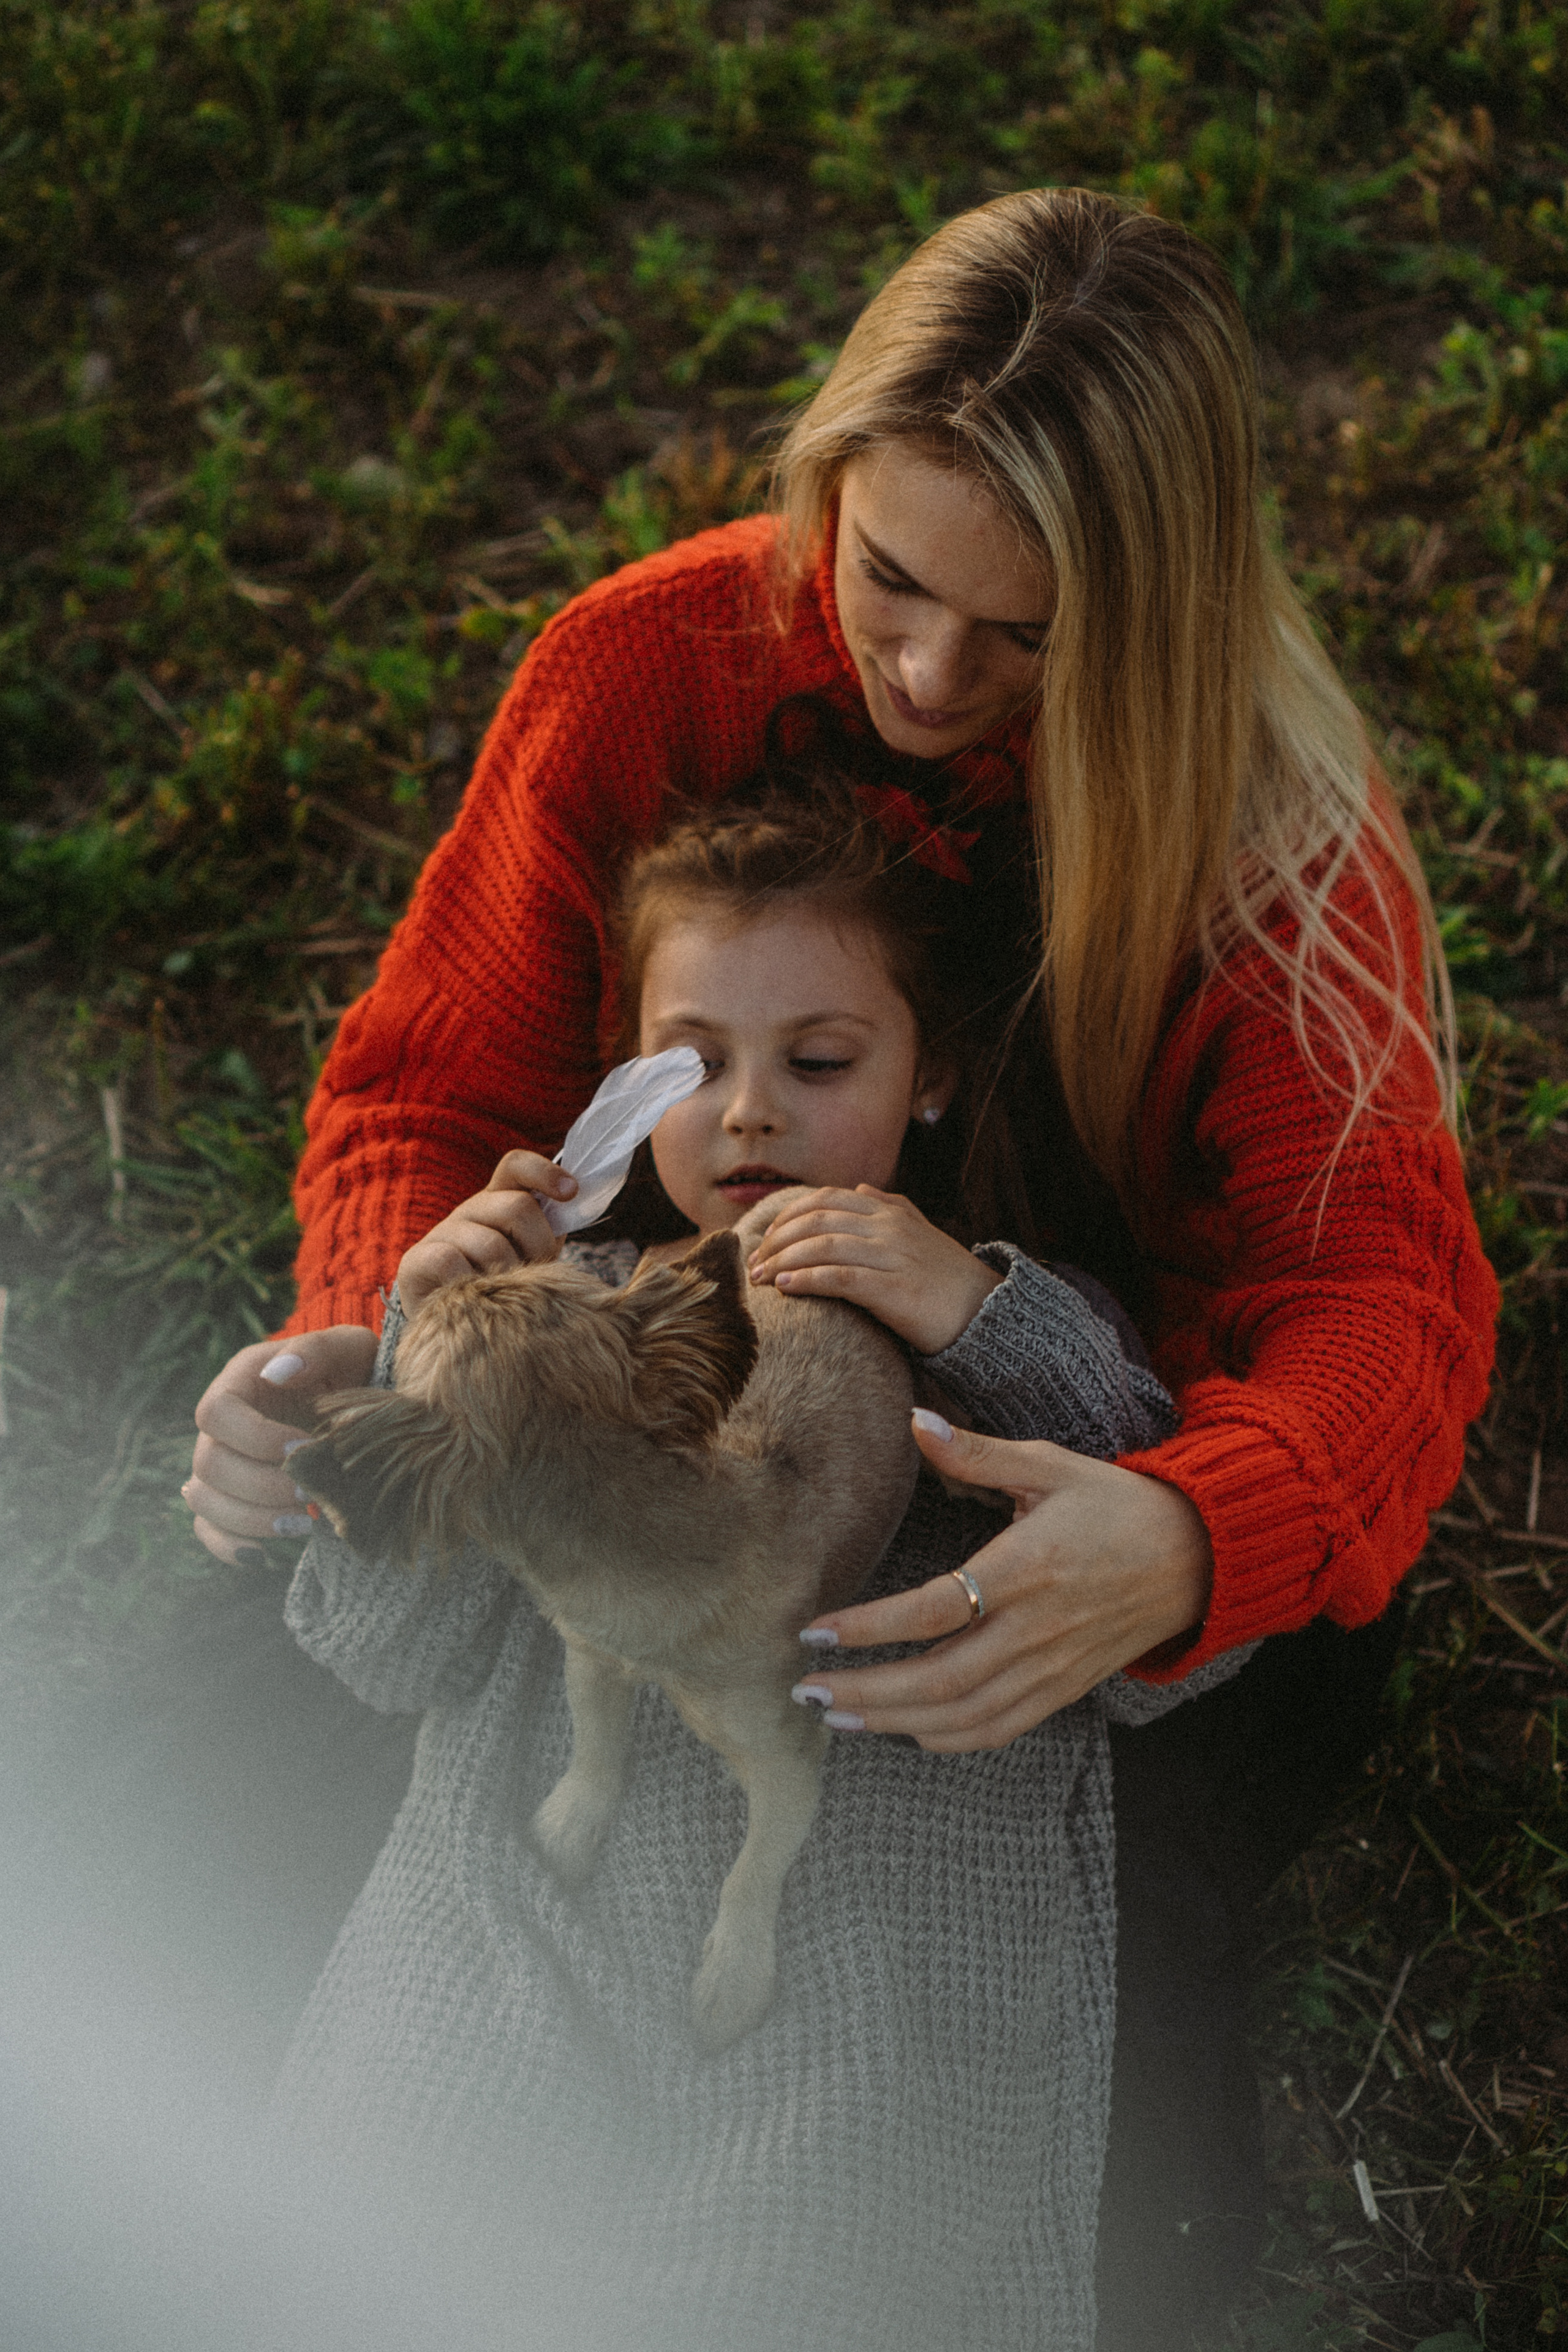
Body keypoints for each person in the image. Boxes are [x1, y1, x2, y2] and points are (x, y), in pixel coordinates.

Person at [184, 187, 1499, 2340]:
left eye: (1029, 632)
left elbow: (1381, 1304)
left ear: (1157, 606)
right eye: (889, 579)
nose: (923, 676)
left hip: (1082, 1505)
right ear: (822, 485)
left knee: (1056, 2050)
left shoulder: (1276, 835)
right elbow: (432, 1089)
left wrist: (1185, 1537)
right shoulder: (642, 670)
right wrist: (373, 1357)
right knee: (248, 1770)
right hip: (658, 1431)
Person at [275, 779, 1248, 2352]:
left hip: (882, 1943)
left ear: (926, 1077)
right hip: (520, 1908)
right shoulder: (558, 1306)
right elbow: (384, 1648)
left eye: (817, 1061)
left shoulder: (995, 1314)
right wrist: (422, 1346)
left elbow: (1191, 1636)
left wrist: (976, 1313)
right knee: (379, 2233)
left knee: (818, 2269)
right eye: (691, 1062)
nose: (747, 1113)